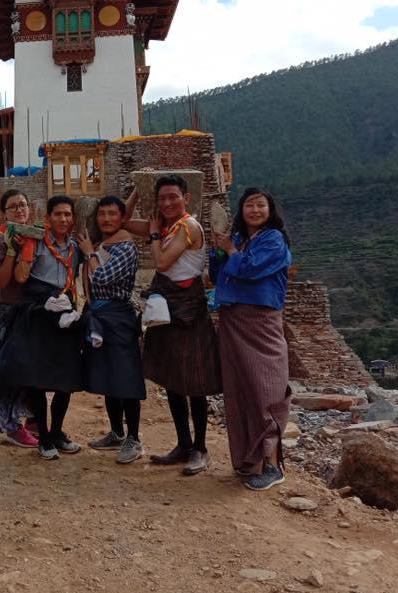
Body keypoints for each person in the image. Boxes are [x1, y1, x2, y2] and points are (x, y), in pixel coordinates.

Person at [126, 176, 222, 475]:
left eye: (173, 197)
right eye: (162, 198)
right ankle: (183, 443)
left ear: (186, 198)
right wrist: (137, 188)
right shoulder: (164, 224)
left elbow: (163, 263)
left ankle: (201, 448)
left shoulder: (188, 227)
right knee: (172, 378)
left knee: (194, 380)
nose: (167, 203)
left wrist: (154, 235)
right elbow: (124, 220)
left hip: (188, 307)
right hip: (166, 306)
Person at [0, 195, 84, 460]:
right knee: (30, 375)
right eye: (58, 214)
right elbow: (17, 277)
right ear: (48, 217)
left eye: (68, 214)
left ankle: (55, 431)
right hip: (31, 313)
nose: (63, 219)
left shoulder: (76, 248)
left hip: (63, 312)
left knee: (65, 378)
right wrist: (15, 250)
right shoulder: (31, 242)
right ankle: (27, 428)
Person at [210, 187, 292, 491]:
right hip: (233, 320)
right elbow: (217, 276)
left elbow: (250, 269)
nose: (255, 210)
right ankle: (250, 461)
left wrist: (230, 251)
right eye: (249, 205)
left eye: (260, 205)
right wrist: (219, 250)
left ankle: (272, 464)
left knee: (265, 389)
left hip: (261, 321)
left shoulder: (273, 240)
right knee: (239, 390)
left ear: (270, 210)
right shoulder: (242, 240)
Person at [78, 196, 148, 464]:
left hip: (118, 316)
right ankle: (117, 432)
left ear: (122, 218)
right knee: (108, 375)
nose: (106, 219)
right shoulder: (101, 243)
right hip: (99, 316)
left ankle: (134, 438)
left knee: (125, 378)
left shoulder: (125, 247)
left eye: (112, 214)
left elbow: (104, 276)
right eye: (102, 214)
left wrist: (89, 254)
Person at [0, 189, 38, 448]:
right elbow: (3, 281)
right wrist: (11, 252)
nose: (20, 210)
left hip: (32, 311)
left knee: (31, 369)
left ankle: (25, 418)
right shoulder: (1, 241)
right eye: (13, 206)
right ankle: (12, 425)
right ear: (4, 213)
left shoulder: (38, 237)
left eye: (23, 204)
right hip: (9, 312)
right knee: (10, 368)